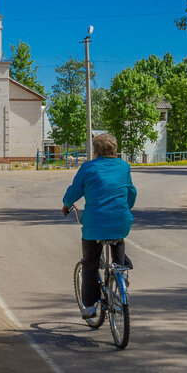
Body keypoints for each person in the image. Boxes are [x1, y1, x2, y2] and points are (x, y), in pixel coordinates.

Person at [61, 132, 137, 319]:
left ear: (96, 150)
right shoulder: (124, 167)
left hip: (95, 224)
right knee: (118, 239)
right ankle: (121, 273)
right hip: (121, 220)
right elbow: (131, 193)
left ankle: (89, 306)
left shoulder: (88, 168)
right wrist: (125, 207)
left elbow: (74, 191)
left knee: (90, 264)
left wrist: (66, 204)